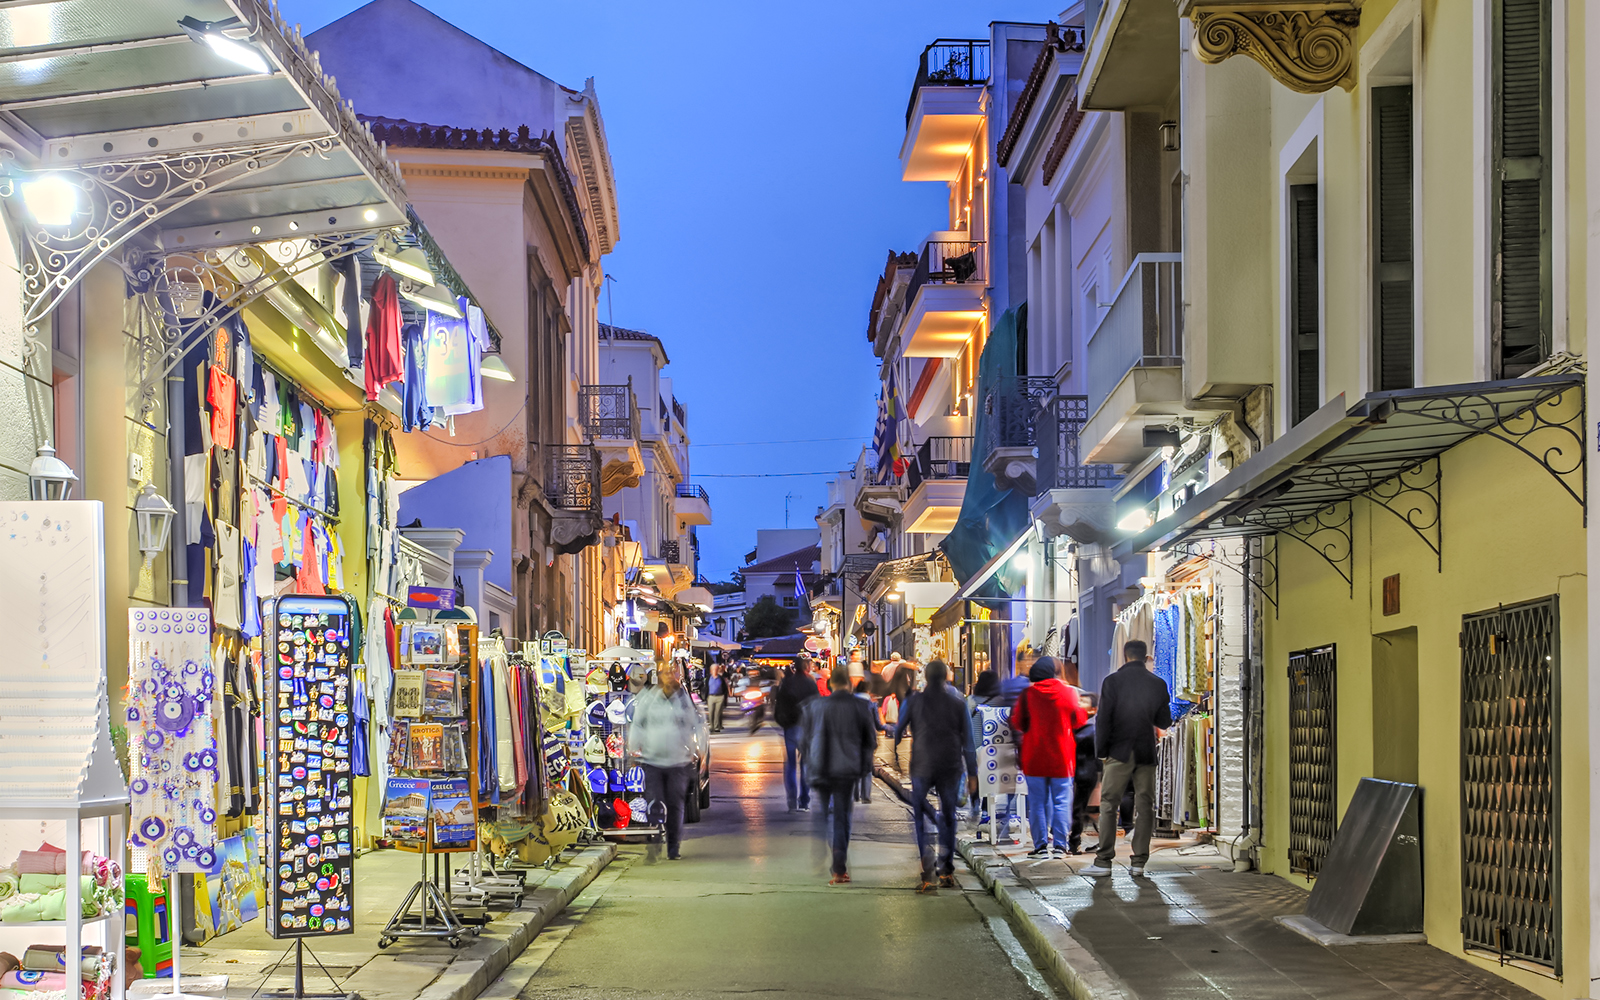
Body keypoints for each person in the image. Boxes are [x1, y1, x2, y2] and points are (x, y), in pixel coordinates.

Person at [1085, 640, 1173, 877]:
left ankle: (1103, 861)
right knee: (1145, 806)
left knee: (1109, 804)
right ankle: (1139, 862)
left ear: (1125, 656)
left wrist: (1101, 752)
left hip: (1118, 750)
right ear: (1146, 658)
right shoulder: (1157, 683)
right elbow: (1164, 721)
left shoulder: (1112, 681)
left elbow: (1103, 720)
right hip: (1145, 750)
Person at [894, 659, 978, 892]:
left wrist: (896, 746)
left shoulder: (914, 701)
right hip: (950, 765)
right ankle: (947, 870)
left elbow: (899, 729)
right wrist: (973, 774)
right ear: (946, 678)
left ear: (926, 678)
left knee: (920, 815)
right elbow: (969, 743)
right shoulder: (958, 703)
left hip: (922, 764)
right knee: (949, 815)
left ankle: (927, 871)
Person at [806, 665, 878, 884]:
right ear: (849, 684)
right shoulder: (860, 707)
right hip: (847, 769)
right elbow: (870, 741)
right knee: (841, 816)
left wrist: (810, 761)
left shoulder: (816, 706)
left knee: (821, 813)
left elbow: (804, 738)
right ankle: (839, 866)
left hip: (821, 767)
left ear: (830, 684)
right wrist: (865, 767)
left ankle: (819, 851)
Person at [1010, 657, 1088, 858]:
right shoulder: (1068, 692)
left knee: (1037, 802)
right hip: (1062, 757)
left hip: (1034, 757)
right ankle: (1061, 846)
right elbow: (1079, 719)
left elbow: (1018, 722)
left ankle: (1041, 847)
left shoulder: (1027, 695)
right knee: (1062, 801)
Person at [629, 660, 706, 861]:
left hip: (678, 761)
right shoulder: (649, 698)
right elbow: (638, 723)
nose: (669, 678)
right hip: (652, 759)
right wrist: (633, 748)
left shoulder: (683, 700)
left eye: (672, 674)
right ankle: (654, 841)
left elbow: (696, 724)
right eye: (665, 674)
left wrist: (700, 749)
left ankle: (673, 847)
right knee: (654, 802)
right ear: (659, 677)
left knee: (675, 805)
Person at [967, 669, 1018, 845]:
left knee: (977, 778)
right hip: (995, 748)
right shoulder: (1001, 701)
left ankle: (976, 806)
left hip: (974, 747)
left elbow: (966, 724)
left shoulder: (971, 701)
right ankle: (987, 810)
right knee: (991, 780)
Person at [774, 659, 820, 812]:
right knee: (805, 764)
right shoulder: (811, 683)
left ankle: (791, 800)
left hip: (790, 726)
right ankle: (804, 800)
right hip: (807, 727)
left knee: (791, 765)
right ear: (807, 667)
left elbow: (778, 703)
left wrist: (782, 721)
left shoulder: (787, 683)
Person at [1069, 691, 1100, 854]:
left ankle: (1074, 842)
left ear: (1093, 709)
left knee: (1080, 809)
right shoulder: (1081, 727)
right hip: (1081, 773)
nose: (1079, 703)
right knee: (1084, 810)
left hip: (1086, 773)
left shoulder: (1090, 730)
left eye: (1084, 701)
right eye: (1079, 700)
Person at [852, 679, 884, 803]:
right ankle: (866, 796)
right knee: (867, 768)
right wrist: (890, 728)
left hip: (853, 738)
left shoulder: (851, 703)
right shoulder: (871, 704)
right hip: (868, 739)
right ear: (868, 690)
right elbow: (878, 724)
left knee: (854, 765)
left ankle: (855, 794)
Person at [706, 663, 728, 733]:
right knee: (711, 712)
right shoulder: (708, 678)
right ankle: (711, 727)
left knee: (718, 713)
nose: (715, 671)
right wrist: (705, 697)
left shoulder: (721, 678)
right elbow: (706, 687)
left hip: (720, 696)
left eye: (716, 669)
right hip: (711, 696)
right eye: (713, 669)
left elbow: (725, 688)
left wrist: (725, 697)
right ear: (711, 670)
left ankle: (716, 727)